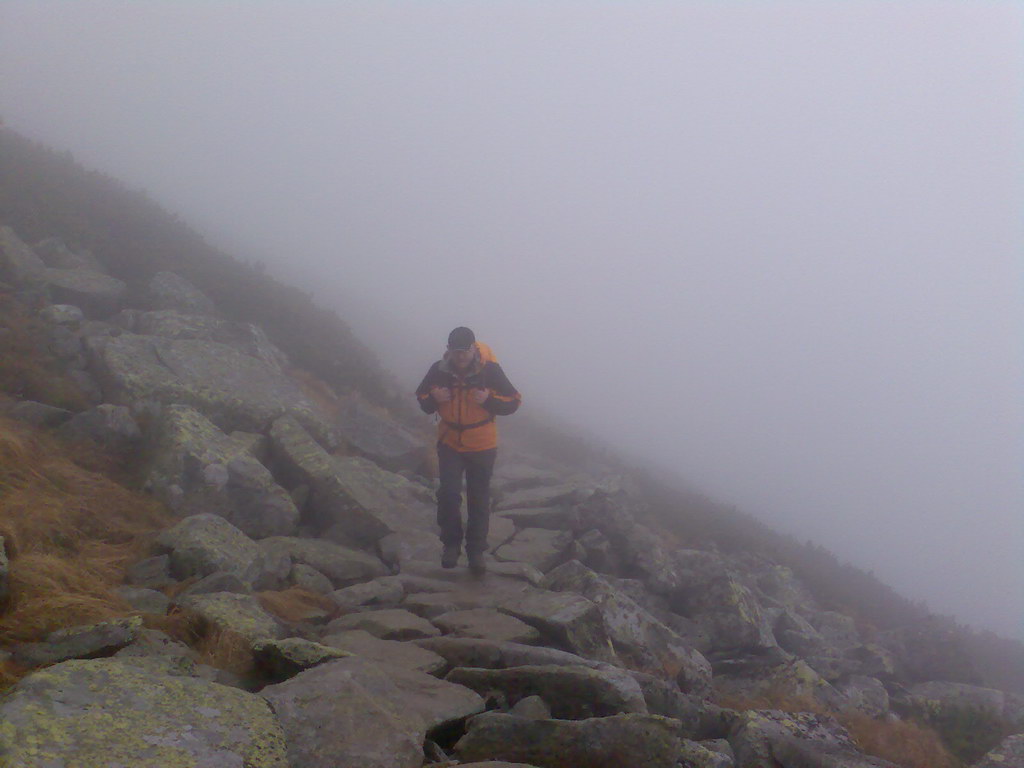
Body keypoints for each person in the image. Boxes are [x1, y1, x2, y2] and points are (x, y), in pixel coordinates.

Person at [416, 326, 521, 575]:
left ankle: (476, 552)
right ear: (449, 351)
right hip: (449, 440)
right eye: (456, 352)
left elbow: (514, 400)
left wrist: (489, 401)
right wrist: (434, 400)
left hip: (482, 443)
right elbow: (421, 398)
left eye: (465, 351)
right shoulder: (438, 370)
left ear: (474, 348)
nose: (461, 357)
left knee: (478, 498)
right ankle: (451, 546)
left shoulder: (490, 371)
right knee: (449, 493)